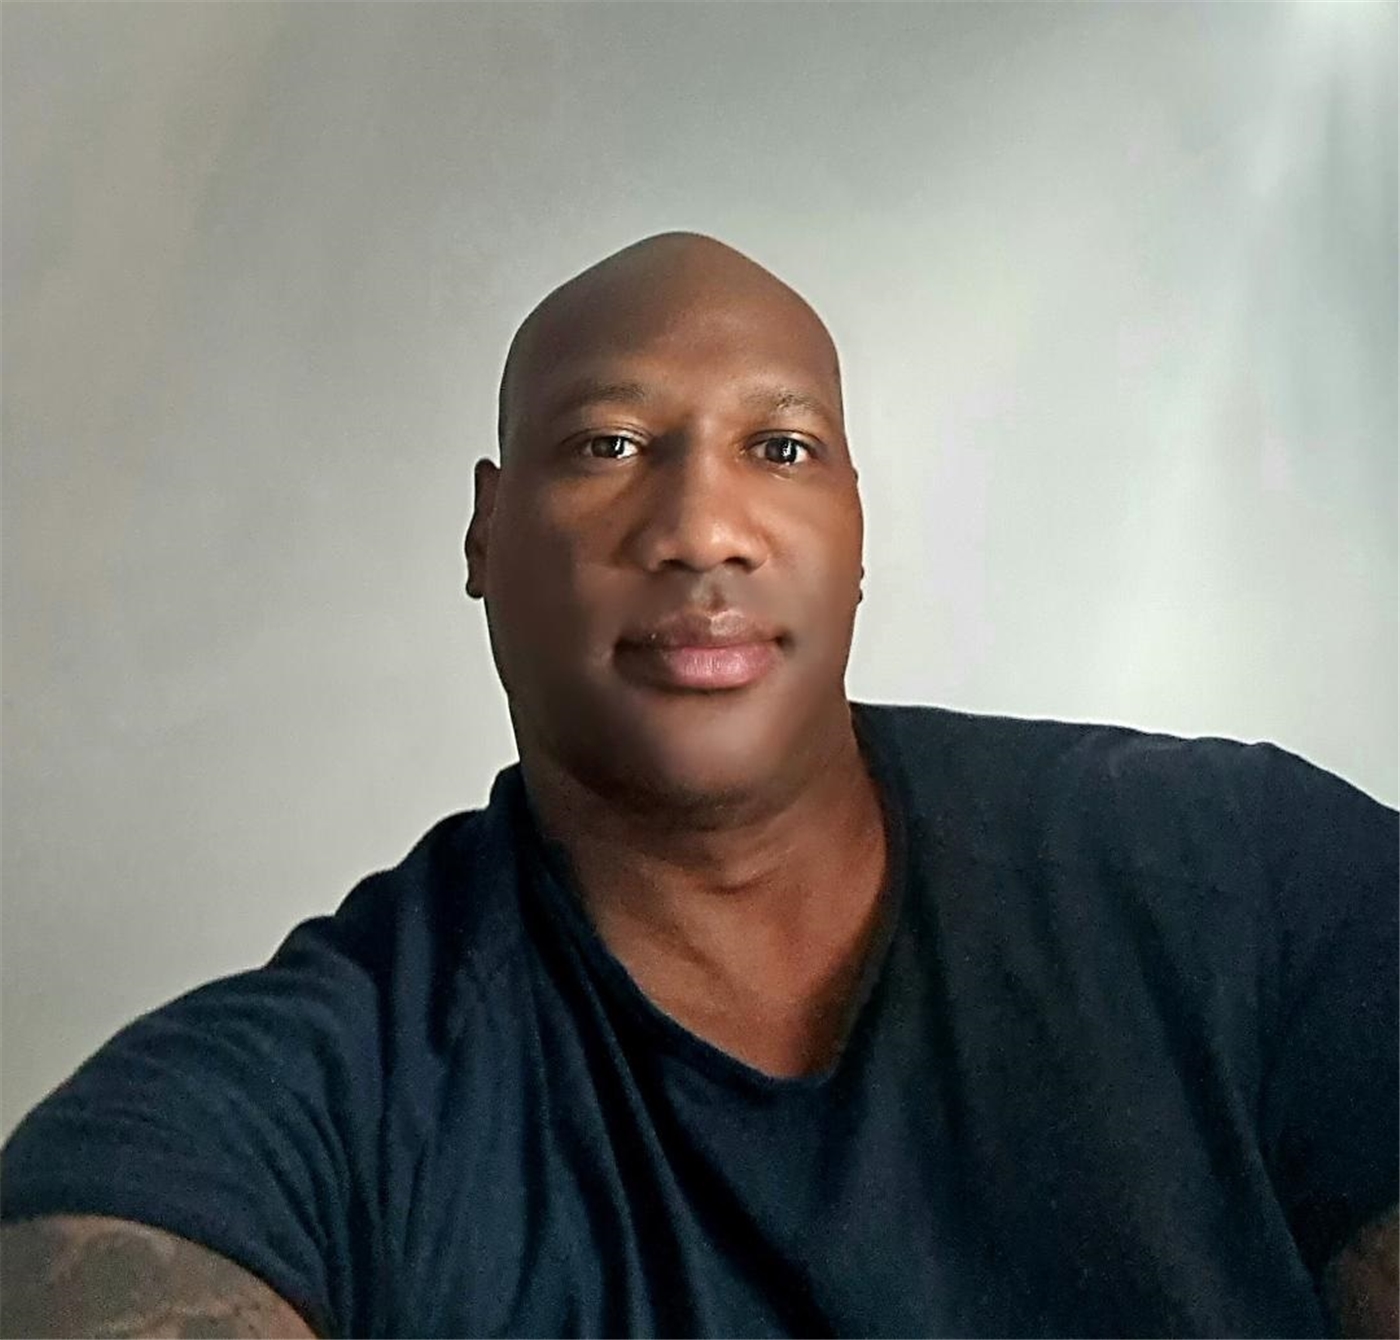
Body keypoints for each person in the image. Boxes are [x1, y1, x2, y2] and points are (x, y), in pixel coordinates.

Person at [1, 233, 1395, 1339]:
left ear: (856, 531)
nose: (700, 530)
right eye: (608, 445)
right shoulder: (283, 1114)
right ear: (486, 531)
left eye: (779, 449)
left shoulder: (1254, 889)